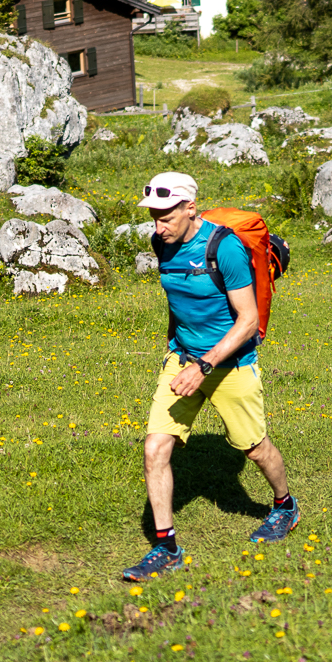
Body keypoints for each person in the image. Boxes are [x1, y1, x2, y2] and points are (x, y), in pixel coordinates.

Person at [124, 171, 298, 581]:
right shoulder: (161, 244)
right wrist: (176, 349)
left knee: (253, 448)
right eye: (153, 216)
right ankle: (166, 547)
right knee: (155, 449)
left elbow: (248, 320)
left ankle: (284, 505)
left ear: (190, 209)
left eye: (166, 216)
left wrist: (205, 366)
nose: (157, 225)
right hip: (183, 361)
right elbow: (179, 299)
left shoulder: (226, 249)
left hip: (229, 364)